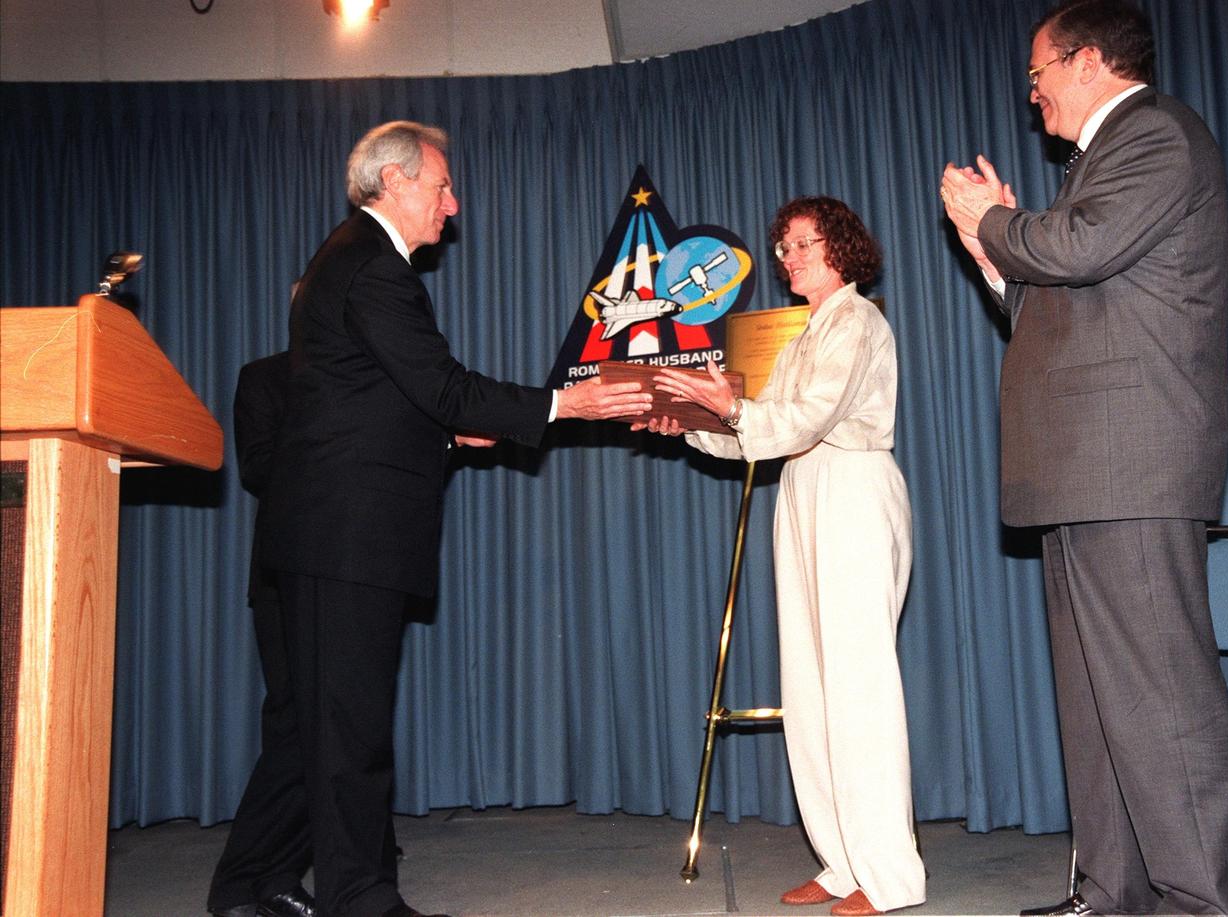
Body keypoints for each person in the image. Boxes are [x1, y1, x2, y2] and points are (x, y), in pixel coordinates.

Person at [248, 121, 652, 917]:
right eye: (440, 186)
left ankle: (264, 885)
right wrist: (564, 402)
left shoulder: (351, 260)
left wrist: (443, 427)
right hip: (346, 535)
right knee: (349, 732)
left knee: (323, 727)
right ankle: (361, 899)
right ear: (395, 182)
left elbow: (372, 402)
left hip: (332, 532)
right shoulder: (372, 267)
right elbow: (443, 383)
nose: (452, 204)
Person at [939, 2, 1228, 914]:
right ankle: (1112, 892)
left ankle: (1208, 902)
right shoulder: (1100, 162)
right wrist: (992, 253)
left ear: (1085, 62)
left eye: (1037, 75)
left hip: (1133, 462)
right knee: (1096, 705)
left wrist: (997, 220)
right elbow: (1065, 295)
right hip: (1086, 465)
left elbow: (1080, 248)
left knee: (1160, 700)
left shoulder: (1155, 132)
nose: (1032, 97)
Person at [638, 197, 925, 917]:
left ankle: (889, 877)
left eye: (804, 243)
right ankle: (840, 862)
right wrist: (692, 425)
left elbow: (807, 416)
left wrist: (731, 407)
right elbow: (762, 433)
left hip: (852, 488)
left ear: (843, 247)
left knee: (858, 691)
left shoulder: (857, 321)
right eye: (784, 246)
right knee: (811, 688)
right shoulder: (805, 334)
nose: (788, 257)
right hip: (803, 487)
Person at [209, 351, 316, 917]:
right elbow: (256, 467)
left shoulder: (376, 367)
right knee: (297, 727)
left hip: (358, 570)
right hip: (286, 572)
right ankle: (242, 881)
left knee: (333, 731)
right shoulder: (266, 377)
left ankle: (274, 875)